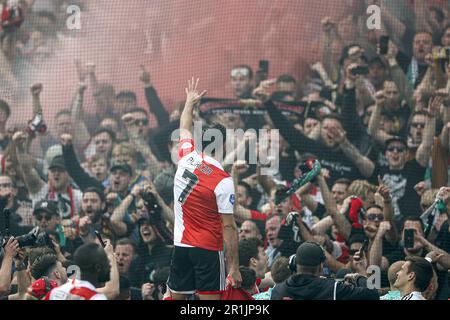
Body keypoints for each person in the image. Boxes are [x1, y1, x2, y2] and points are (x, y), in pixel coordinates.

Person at [167, 78, 241, 300]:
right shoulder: (223, 180)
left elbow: (184, 125)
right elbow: (228, 227)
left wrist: (189, 101)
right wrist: (234, 267)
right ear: (223, 145)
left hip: (181, 246)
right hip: (208, 251)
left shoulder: (185, 156)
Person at [271, 241, 379, 300]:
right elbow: (373, 294)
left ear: (293, 263)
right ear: (321, 266)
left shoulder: (277, 291)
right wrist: (359, 275)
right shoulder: (333, 288)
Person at [44, 243, 111, 300]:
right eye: (106, 262)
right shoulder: (96, 298)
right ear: (98, 267)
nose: (110, 266)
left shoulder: (56, 292)